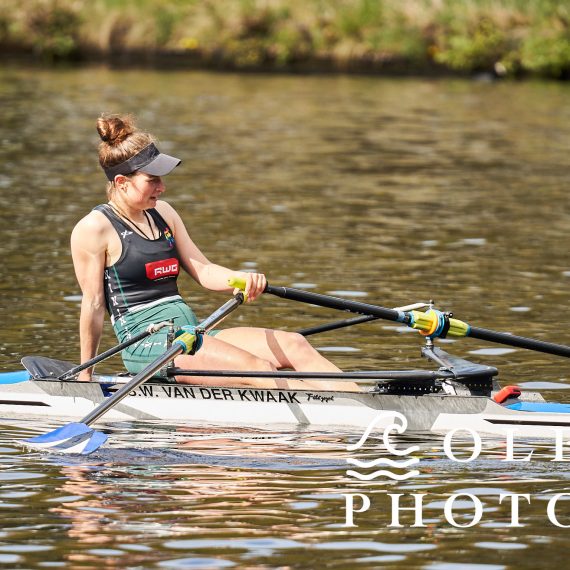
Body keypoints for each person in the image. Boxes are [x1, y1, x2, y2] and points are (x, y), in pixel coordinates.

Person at [70, 114, 359, 391]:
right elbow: (93, 304)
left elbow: (205, 271)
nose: (162, 187)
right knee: (258, 368)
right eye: (152, 180)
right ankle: (332, 410)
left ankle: (365, 404)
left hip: (192, 333)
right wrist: (86, 374)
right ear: (122, 182)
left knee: (294, 343)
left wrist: (241, 278)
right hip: (146, 345)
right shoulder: (94, 229)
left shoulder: (164, 213)